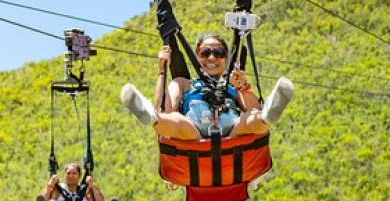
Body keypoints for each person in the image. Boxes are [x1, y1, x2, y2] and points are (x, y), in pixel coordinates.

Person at [119, 33, 294, 139]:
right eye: (205, 53)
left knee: (253, 117)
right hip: (194, 132)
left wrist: (243, 87)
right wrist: (161, 71)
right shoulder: (183, 83)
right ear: (197, 57)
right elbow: (165, 109)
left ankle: (268, 116)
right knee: (177, 121)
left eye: (218, 53)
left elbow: (252, 108)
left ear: (226, 59)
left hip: (231, 131)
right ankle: (150, 117)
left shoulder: (232, 84)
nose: (211, 58)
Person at [35, 162, 118, 201]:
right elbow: (44, 200)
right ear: (64, 175)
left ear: (79, 176)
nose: (71, 176)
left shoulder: (85, 189)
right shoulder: (58, 188)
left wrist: (92, 185)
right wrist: (50, 184)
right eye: (68, 173)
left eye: (74, 173)